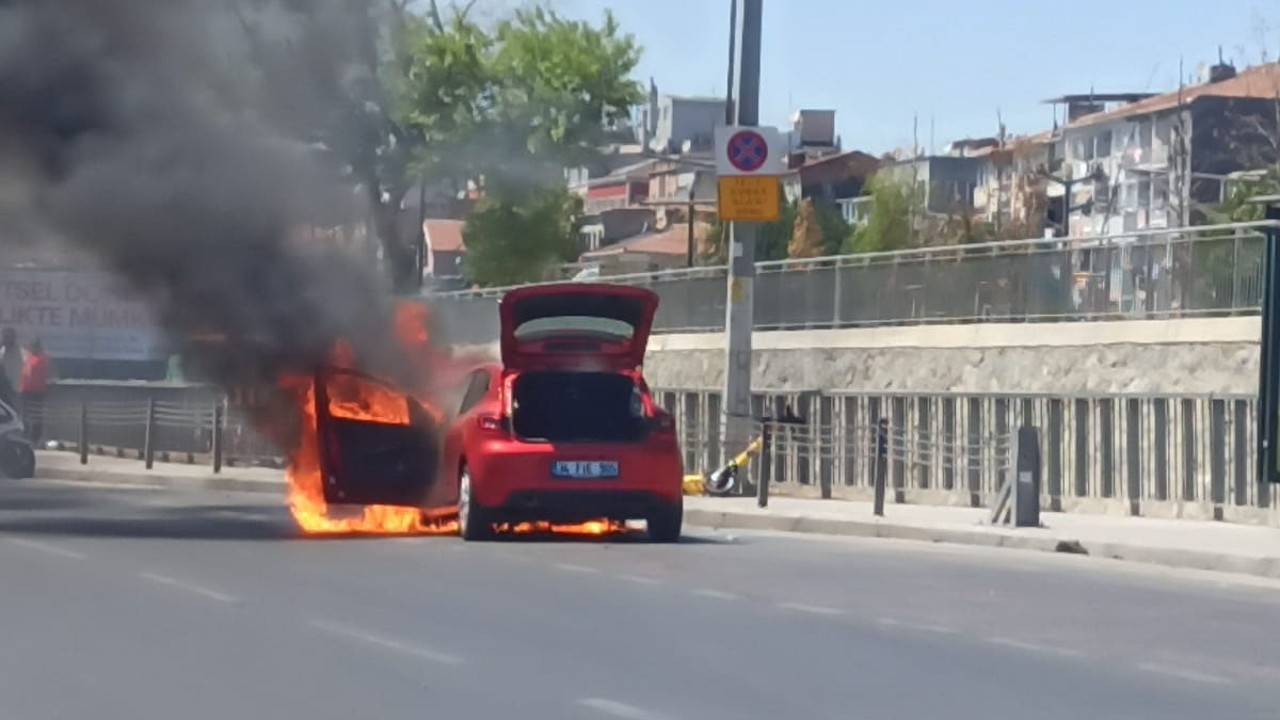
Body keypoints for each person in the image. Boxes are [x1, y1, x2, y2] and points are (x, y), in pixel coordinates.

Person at [19, 339, 50, 443]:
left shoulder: (40, 359)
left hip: (36, 391)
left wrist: (26, 359)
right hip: (27, 390)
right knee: (25, 416)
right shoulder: (31, 358)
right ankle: (27, 436)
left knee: (35, 416)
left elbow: (31, 371)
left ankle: (34, 438)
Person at [0, 328, 22, 402]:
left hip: (12, 388)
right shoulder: (1, 349)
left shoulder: (19, 350)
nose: (6, 339)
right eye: (5, 336)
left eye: (8, 337)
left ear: (13, 338)